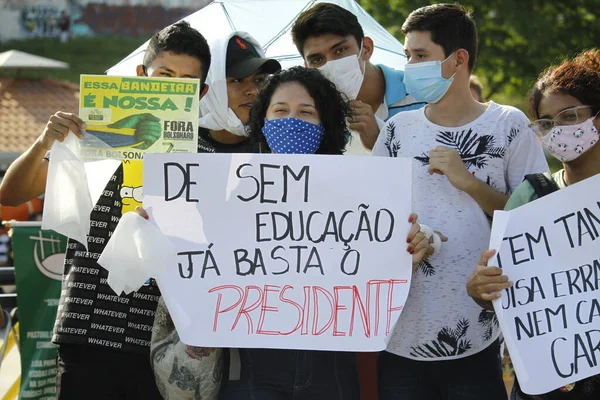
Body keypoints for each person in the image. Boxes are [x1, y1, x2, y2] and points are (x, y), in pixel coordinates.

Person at [0, 21, 211, 400]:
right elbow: (12, 193)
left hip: (163, 337)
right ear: (140, 75)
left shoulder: (207, 160)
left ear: (202, 93)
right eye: (164, 75)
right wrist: (46, 139)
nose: (170, 89)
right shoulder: (94, 137)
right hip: (87, 326)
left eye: (185, 82)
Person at [202, 66, 433, 400]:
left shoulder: (360, 190)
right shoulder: (232, 188)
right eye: (280, 111)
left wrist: (408, 254)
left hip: (333, 371)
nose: (291, 120)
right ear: (263, 121)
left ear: (325, 124)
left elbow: (376, 272)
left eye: (305, 112)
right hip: (253, 370)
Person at [371, 4, 549, 399]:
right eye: (407, 56)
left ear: (458, 60)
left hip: (479, 334)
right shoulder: (398, 130)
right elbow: (371, 218)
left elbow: (535, 222)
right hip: (399, 336)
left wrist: (469, 182)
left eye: (420, 56)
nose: (409, 66)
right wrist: (409, 238)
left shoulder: (509, 124)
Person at [148, 31, 282, 400]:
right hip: (188, 342)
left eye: (259, 80)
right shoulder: (172, 146)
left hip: (266, 343)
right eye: (236, 81)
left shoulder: (277, 148)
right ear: (209, 89)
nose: (252, 91)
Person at [467, 49, 600, 399]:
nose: (558, 130)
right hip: (549, 382)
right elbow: (501, 289)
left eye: (571, 115)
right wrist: (481, 288)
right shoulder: (531, 194)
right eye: (546, 122)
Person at [291, 2, 425, 155]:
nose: (331, 65)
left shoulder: (422, 94)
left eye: (340, 50)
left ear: (366, 48)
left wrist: (382, 140)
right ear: (307, 67)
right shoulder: (312, 116)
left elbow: (440, 170)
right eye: (317, 60)